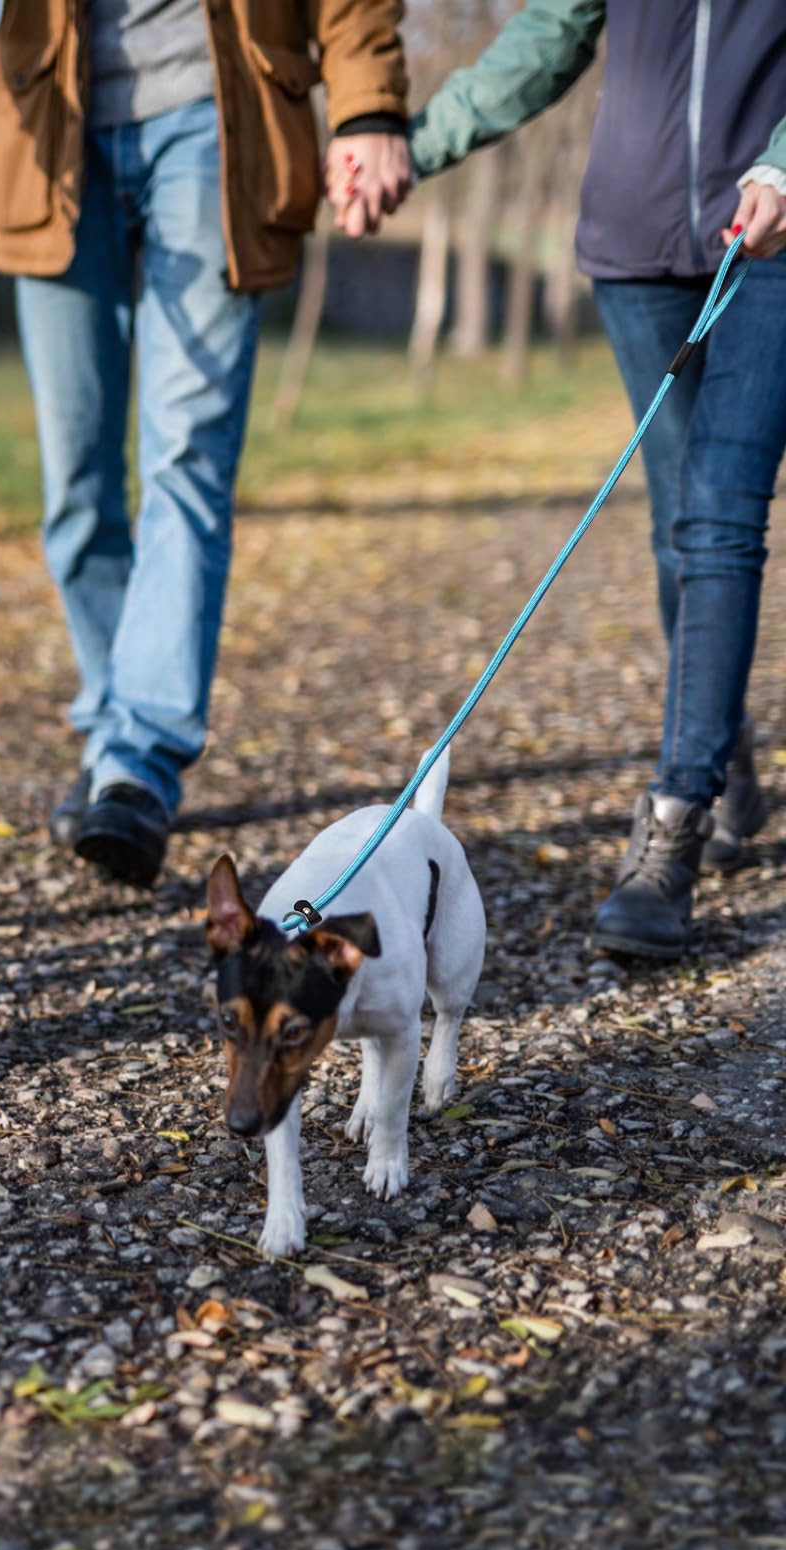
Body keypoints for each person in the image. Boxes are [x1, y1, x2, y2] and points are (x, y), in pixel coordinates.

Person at [0, 0, 413, 886]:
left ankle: (138, 760)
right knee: (77, 486)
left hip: (221, 119)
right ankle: (115, 727)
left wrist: (370, 106)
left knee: (186, 458)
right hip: (55, 124)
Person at [391, 0, 786, 959]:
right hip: (637, 243)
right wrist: (415, 145)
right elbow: (548, 35)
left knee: (721, 520)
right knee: (678, 530)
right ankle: (724, 750)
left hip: (773, 240)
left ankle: (672, 829)